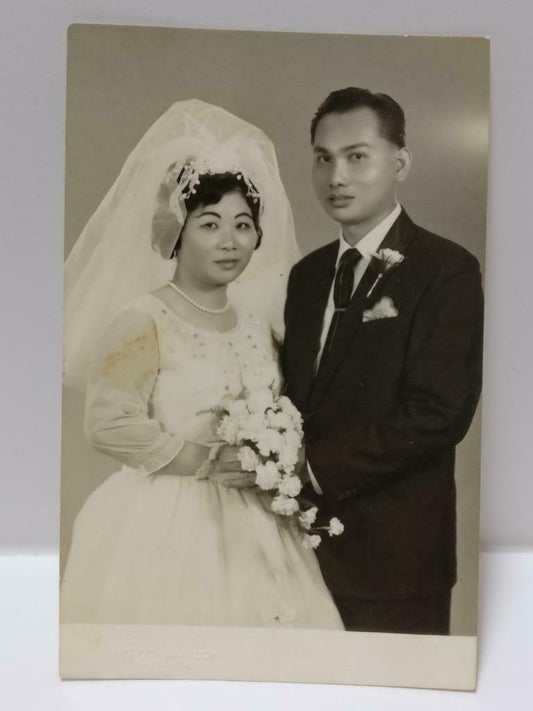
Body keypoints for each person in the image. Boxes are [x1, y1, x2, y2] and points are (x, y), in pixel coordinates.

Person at [60, 100, 343, 629]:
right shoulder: (144, 318)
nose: (230, 240)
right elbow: (107, 425)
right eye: (210, 224)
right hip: (167, 518)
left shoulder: (260, 321)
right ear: (177, 231)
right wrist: (209, 461)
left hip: (261, 522)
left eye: (242, 225)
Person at [283, 87, 484, 635]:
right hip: (298, 552)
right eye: (322, 158)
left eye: (356, 156)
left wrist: (312, 467)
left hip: (397, 558)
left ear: (400, 162)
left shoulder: (446, 269)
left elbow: (440, 412)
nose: (336, 177)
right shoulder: (306, 276)